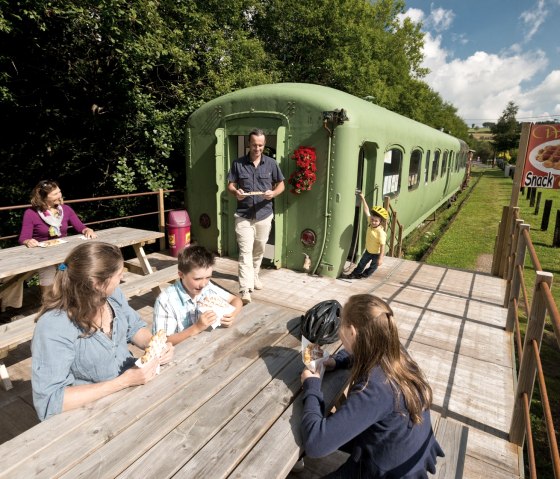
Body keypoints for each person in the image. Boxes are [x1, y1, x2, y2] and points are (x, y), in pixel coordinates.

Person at [300, 294, 444, 478]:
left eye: (341, 325)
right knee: (325, 426)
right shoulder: (393, 350)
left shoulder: (375, 388)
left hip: (387, 471)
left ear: (352, 331)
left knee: (310, 432)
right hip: (399, 446)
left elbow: (316, 445)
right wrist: (337, 361)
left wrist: (311, 385)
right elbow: (363, 351)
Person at [31, 242, 174, 421]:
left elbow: (135, 328)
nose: (121, 279)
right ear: (97, 283)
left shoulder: (112, 296)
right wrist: (122, 382)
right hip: (92, 415)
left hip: (135, 391)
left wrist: (157, 345)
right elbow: (50, 401)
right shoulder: (54, 326)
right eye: (119, 275)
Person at [227, 129, 285, 304]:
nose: (257, 148)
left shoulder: (272, 164)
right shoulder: (238, 164)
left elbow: (281, 184)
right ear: (249, 144)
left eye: (260, 145)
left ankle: (255, 275)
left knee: (259, 249)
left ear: (264, 145)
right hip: (243, 214)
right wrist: (236, 192)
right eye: (254, 145)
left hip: (264, 214)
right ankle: (245, 289)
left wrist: (273, 194)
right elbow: (230, 185)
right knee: (245, 252)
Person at [19, 179, 97, 295]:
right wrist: (28, 241)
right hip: (42, 254)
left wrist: (87, 229)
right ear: (44, 197)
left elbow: (80, 227)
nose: (60, 195)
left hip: (62, 251)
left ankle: (73, 297)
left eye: (59, 192)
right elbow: (23, 238)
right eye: (55, 194)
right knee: (47, 270)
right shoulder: (31, 213)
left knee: (76, 266)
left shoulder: (66, 209)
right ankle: (49, 303)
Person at [152, 245, 243, 345]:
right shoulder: (166, 301)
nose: (203, 284)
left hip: (208, 345)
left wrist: (231, 315)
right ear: (181, 275)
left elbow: (236, 300)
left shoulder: (208, 287)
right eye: (197, 279)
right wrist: (196, 328)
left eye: (208, 277)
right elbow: (160, 342)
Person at [348, 192, 387, 279]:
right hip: (368, 251)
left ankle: (364, 275)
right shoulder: (370, 222)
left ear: (380, 222)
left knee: (373, 266)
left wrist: (381, 258)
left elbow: (383, 246)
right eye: (372, 220)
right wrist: (362, 198)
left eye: (376, 221)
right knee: (361, 263)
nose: (373, 222)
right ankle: (354, 274)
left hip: (377, 254)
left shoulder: (380, 232)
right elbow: (366, 210)